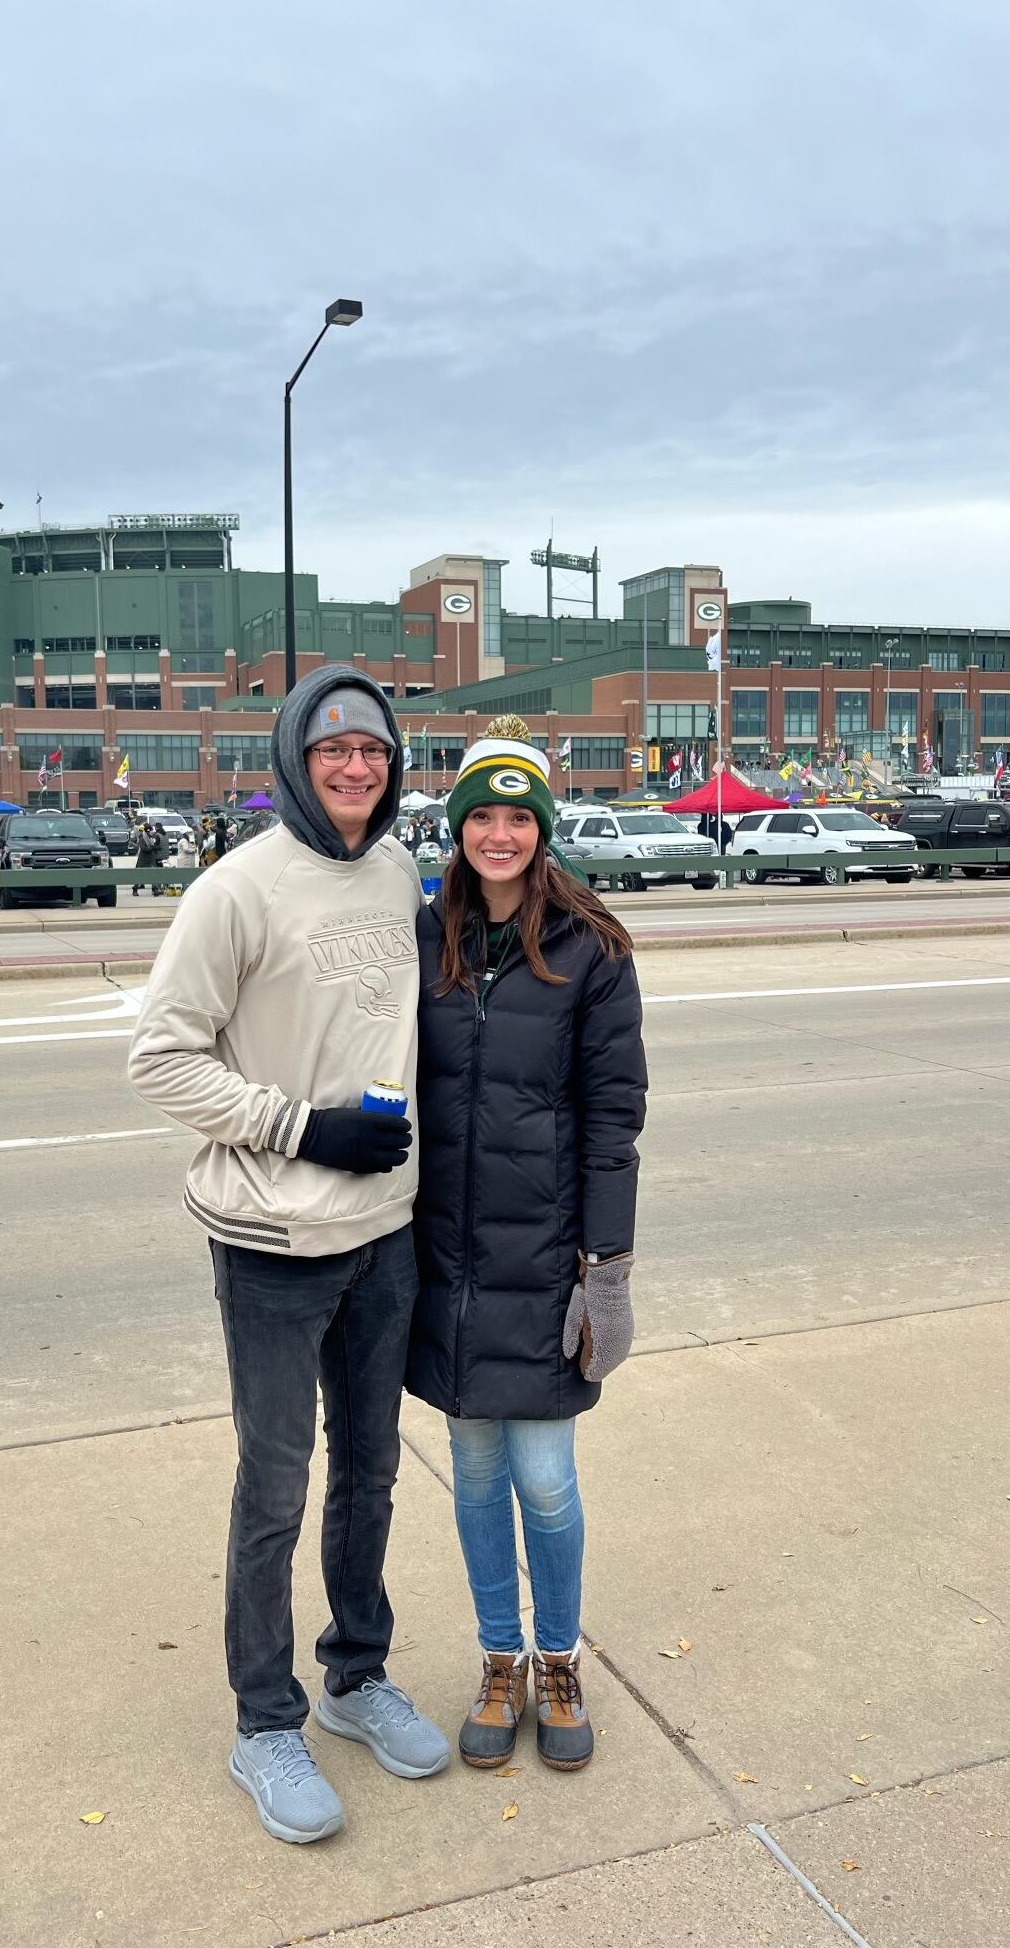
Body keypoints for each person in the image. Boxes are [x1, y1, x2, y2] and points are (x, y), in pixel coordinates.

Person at [127, 665, 449, 1847]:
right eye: (333, 751)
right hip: (273, 1242)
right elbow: (161, 1058)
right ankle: (265, 1721)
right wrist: (300, 1126)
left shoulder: (396, 870)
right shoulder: (235, 890)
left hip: (387, 1235)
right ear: (295, 759)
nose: (355, 768)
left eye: (373, 750)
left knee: (372, 1474)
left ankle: (355, 1678)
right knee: (276, 1488)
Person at [406, 715, 647, 1776]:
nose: (499, 836)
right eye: (482, 817)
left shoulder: (591, 951)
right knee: (471, 1471)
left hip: (546, 1258)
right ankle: (498, 1656)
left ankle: (559, 1656)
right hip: (443, 1260)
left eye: (519, 818)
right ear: (457, 827)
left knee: (544, 1476)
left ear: (544, 830)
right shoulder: (423, 938)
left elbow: (614, 1116)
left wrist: (611, 1269)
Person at [133, 816, 163, 895]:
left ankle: (155, 889)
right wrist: (152, 848)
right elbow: (144, 849)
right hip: (143, 860)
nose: (150, 832)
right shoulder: (142, 838)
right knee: (139, 875)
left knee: (153, 874)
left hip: (151, 859)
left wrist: (156, 848)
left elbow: (153, 846)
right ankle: (135, 889)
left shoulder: (151, 838)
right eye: (149, 830)